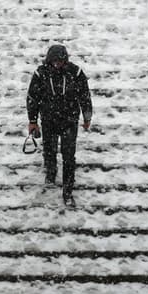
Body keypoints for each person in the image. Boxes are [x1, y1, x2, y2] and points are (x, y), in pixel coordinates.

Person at [26, 44, 93, 207]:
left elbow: (84, 95)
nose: (57, 64)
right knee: (49, 150)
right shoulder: (40, 74)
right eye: (54, 61)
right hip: (49, 120)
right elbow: (32, 98)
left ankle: (68, 189)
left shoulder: (75, 73)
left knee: (69, 155)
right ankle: (51, 172)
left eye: (60, 61)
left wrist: (87, 116)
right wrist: (33, 121)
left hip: (69, 120)